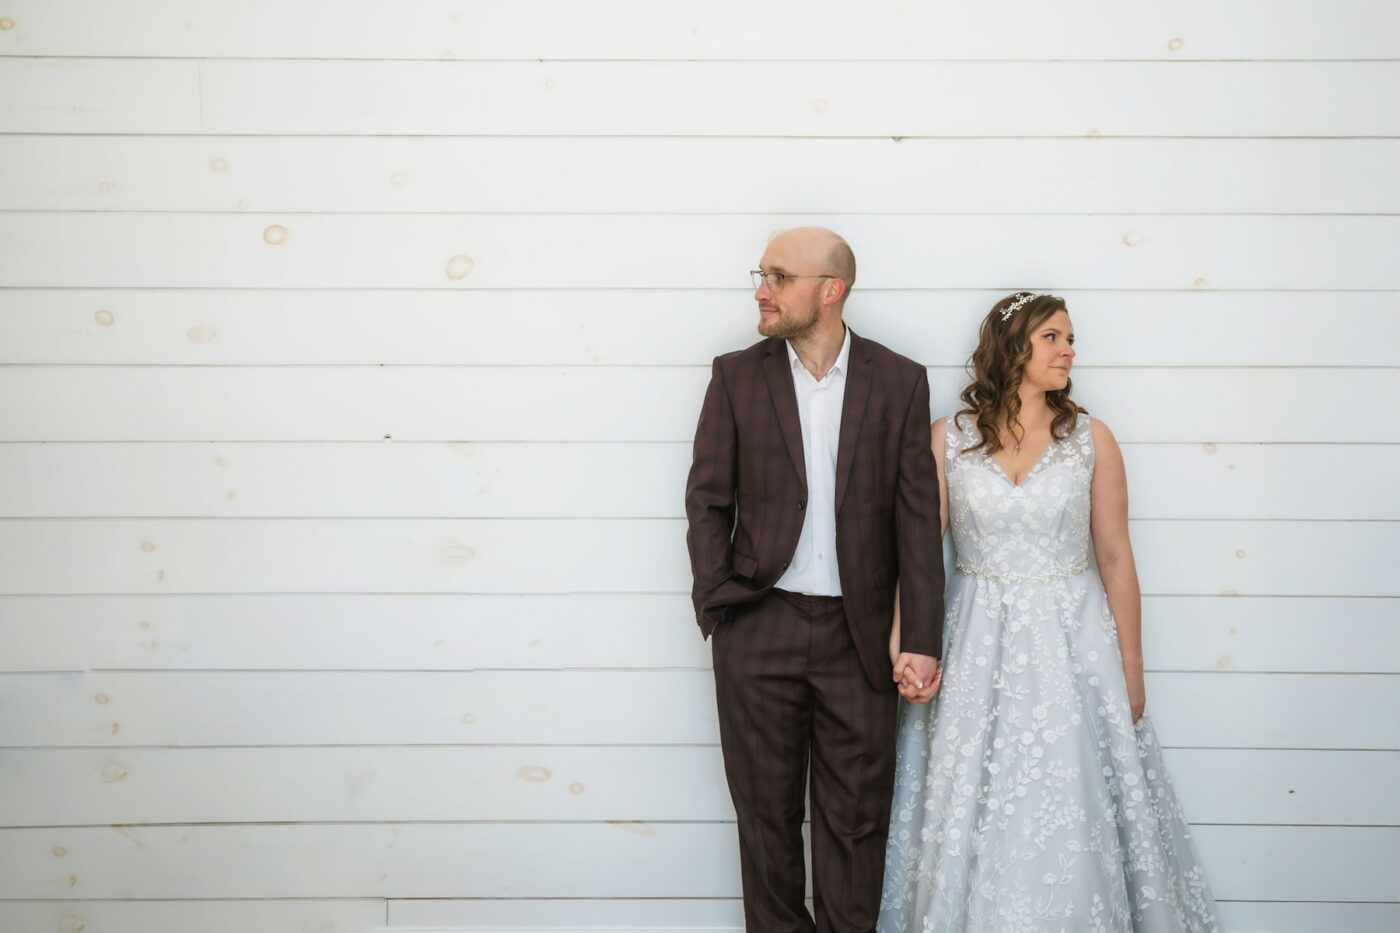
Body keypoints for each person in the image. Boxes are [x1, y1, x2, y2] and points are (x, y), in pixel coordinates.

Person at [878, 292, 1221, 931]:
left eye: (1071, 339)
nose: (1068, 351)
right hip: (975, 635)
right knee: (971, 791)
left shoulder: (1092, 440)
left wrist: (1132, 669)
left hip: (1072, 640)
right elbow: (920, 551)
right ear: (1013, 346)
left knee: (1067, 787)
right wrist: (904, 642)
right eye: (1053, 337)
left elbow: (1115, 557)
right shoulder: (949, 439)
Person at [685, 227, 946, 932]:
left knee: (856, 826)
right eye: (761, 275)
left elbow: (917, 521)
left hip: (859, 641)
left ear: (831, 290)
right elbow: (707, 501)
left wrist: (921, 638)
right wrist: (719, 607)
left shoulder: (899, 381)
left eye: (779, 277)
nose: (761, 291)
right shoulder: (736, 376)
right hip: (757, 625)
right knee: (765, 826)